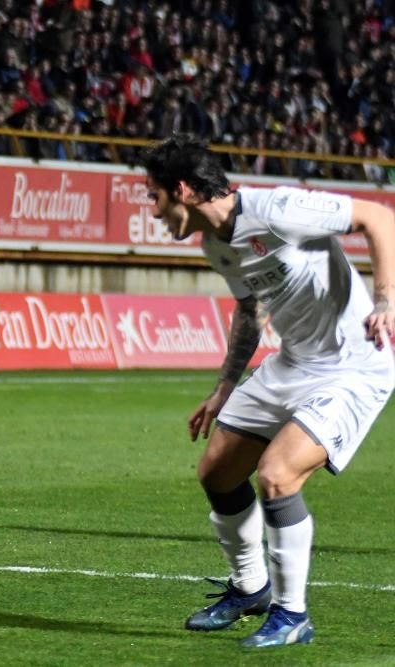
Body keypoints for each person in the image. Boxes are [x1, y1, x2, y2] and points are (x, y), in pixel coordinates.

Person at [142, 135, 395, 648]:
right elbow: (249, 310)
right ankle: (250, 588)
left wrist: (386, 299)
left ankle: (291, 614)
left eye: (155, 195)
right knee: (217, 470)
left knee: (277, 475)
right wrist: (223, 388)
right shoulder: (216, 243)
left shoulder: (279, 207)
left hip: (352, 367)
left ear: (184, 190)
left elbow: (377, 217)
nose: (153, 209)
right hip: (294, 362)